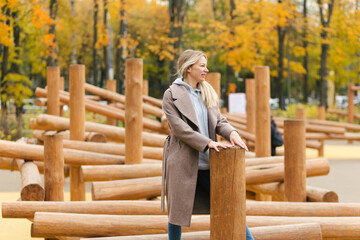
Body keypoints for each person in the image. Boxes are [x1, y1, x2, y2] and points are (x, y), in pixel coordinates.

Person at [161, 49, 254, 240]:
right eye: (202, 65)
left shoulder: (207, 91)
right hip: (183, 161)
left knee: (229, 204)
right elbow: (180, 130)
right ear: (189, 68)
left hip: (211, 162)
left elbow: (219, 122)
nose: (206, 69)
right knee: (176, 213)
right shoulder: (171, 94)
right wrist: (208, 142)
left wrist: (233, 133)